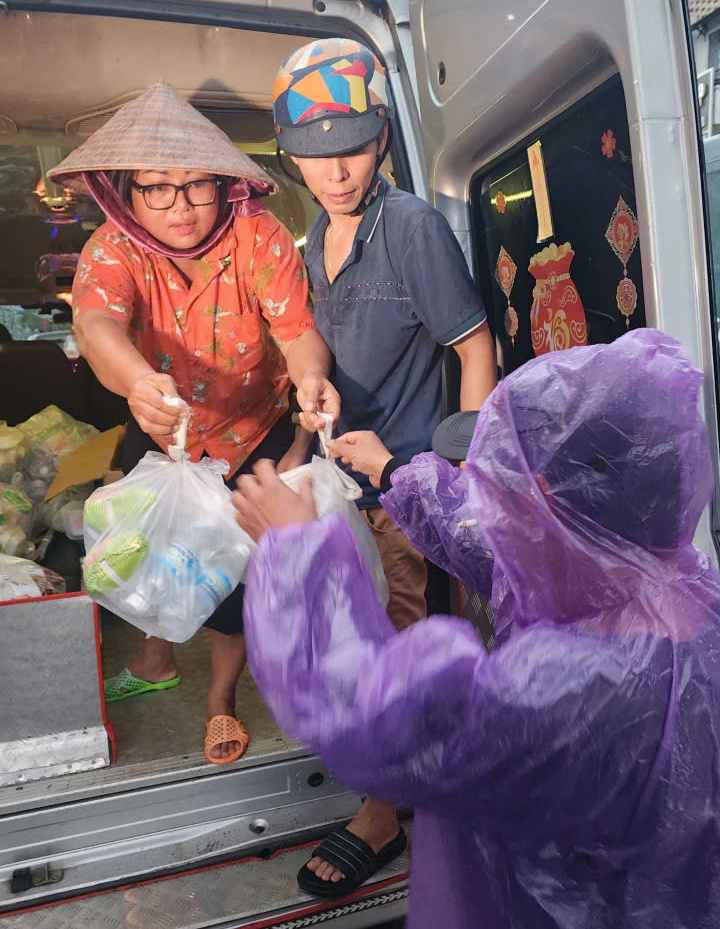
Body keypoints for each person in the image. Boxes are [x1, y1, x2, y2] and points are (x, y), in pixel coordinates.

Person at [233, 328, 720, 928]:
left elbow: (378, 719)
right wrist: (392, 470)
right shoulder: (665, 580)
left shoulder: (571, 688)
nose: (480, 503)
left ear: (541, 502)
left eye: (490, 480)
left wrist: (296, 558)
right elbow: (493, 546)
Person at [50, 82, 338, 766]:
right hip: (164, 424)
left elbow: (297, 332)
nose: (179, 206)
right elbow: (96, 325)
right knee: (151, 551)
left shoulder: (259, 238)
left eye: (196, 185)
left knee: (231, 576)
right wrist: (138, 382)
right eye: (156, 188)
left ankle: (220, 699)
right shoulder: (111, 250)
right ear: (126, 192)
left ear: (224, 185)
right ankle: (156, 658)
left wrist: (310, 379)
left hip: (256, 425)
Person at [269, 36, 497, 896]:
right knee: (360, 641)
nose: (336, 173)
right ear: (290, 156)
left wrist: (453, 476)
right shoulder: (313, 239)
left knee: (409, 646)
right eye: (315, 154)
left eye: (354, 149)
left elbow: (475, 348)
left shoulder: (410, 227)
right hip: (347, 482)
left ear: (383, 141)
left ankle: (387, 814)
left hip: (408, 486)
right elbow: (323, 354)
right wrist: (313, 400)